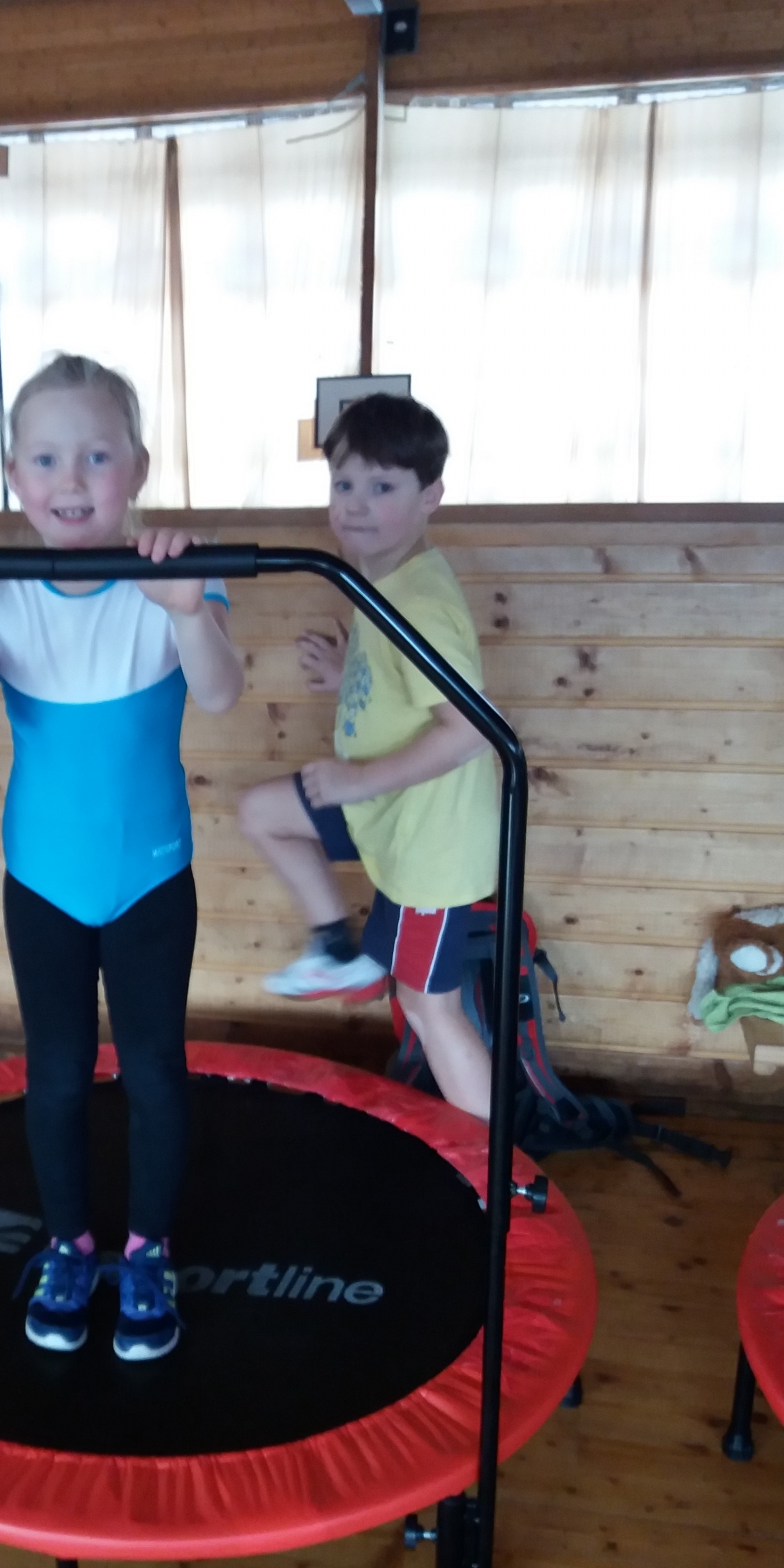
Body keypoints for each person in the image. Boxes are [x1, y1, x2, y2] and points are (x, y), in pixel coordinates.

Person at [0, 354, 242, 1360]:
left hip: (152, 876)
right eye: (45, 459)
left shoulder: (177, 577)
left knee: (155, 1073)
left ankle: (149, 1252)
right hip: (41, 880)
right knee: (58, 1077)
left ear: (137, 468)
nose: (70, 479)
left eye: (95, 456)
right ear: (14, 476)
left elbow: (220, 694)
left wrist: (186, 610)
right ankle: (71, 1247)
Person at [237, 392, 498, 1119]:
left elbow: (468, 730)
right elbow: (403, 681)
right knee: (262, 812)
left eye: (382, 486)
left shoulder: (421, 602)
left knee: (429, 1006)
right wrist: (347, 671)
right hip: (386, 810)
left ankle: (494, 1165)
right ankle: (335, 949)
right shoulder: (381, 576)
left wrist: (357, 779)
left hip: (429, 843)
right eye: (344, 483)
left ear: (430, 496)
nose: (355, 503)